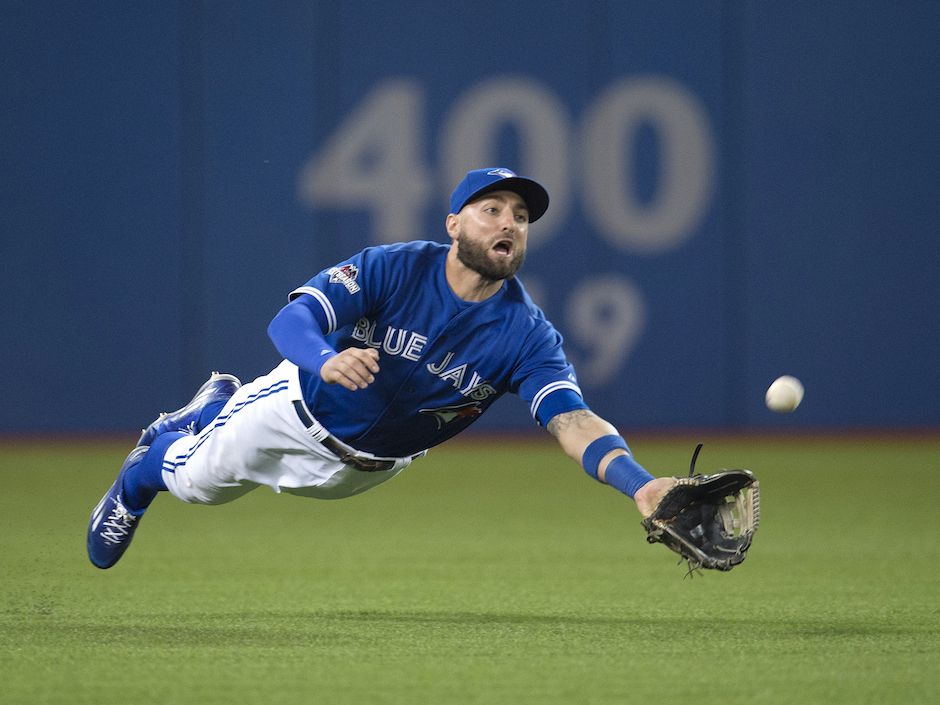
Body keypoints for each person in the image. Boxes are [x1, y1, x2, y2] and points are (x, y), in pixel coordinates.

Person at [87, 167, 675, 569]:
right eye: (490, 209)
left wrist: (640, 483)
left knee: (227, 482)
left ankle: (213, 407)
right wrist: (327, 358)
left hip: (370, 469)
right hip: (291, 412)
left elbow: (572, 422)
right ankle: (144, 468)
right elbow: (290, 323)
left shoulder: (527, 335)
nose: (508, 223)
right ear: (453, 225)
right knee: (196, 486)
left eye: (520, 216)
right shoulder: (393, 267)